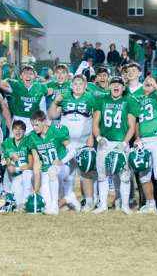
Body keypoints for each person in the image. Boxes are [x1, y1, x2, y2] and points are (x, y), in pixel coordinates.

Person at [49, 75, 97, 211]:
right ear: (71, 85)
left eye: (80, 83)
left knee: (85, 172)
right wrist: (55, 102)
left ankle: (88, 201)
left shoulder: (90, 97)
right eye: (75, 83)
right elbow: (52, 115)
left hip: (83, 142)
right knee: (65, 172)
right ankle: (65, 200)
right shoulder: (64, 96)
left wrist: (91, 137)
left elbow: (95, 117)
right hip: (66, 143)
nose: (77, 86)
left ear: (85, 85)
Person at [92, 76, 136, 214]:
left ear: (123, 88)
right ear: (110, 86)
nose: (116, 86)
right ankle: (103, 205)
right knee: (102, 175)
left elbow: (132, 126)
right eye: (114, 84)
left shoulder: (128, 101)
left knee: (124, 175)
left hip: (120, 143)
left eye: (119, 84)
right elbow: (95, 122)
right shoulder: (102, 100)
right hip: (105, 143)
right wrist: (98, 137)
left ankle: (125, 205)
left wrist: (125, 142)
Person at [133, 76, 157, 217]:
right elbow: (137, 121)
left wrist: (155, 85)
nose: (148, 84)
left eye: (151, 82)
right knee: (143, 174)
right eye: (146, 82)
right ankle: (150, 204)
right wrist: (137, 137)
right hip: (144, 140)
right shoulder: (139, 99)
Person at [0, 58, 48, 133]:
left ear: (35, 76)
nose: (28, 76)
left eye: (30, 74)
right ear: (21, 76)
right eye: (25, 73)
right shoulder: (15, 85)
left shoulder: (41, 87)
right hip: (18, 120)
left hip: (35, 121)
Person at [0, 120, 33, 211]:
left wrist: (16, 169)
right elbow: (2, 162)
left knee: (27, 173)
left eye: (20, 129)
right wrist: (9, 160)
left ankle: (26, 203)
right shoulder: (7, 143)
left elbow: (31, 165)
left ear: (24, 131)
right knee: (16, 203)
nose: (18, 131)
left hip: (27, 174)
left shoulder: (28, 141)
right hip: (15, 177)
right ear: (12, 130)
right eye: (15, 129)